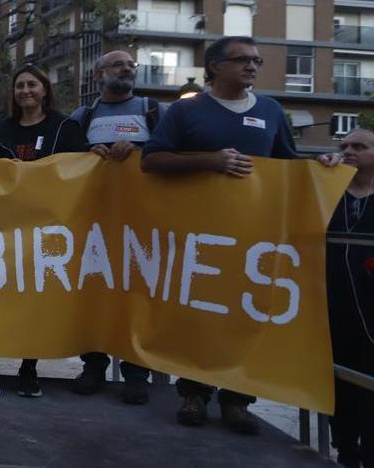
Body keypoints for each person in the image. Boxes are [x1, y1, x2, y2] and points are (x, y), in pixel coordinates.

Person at [140, 35, 327, 434]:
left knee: (245, 315)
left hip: (254, 238)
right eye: (242, 59)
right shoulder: (185, 111)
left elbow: (288, 164)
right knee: (198, 315)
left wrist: (323, 164)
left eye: (257, 60)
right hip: (199, 237)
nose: (252, 66)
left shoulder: (272, 110)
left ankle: (237, 401)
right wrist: (211, 161)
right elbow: (151, 159)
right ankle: (192, 393)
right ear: (214, 67)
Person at [0, 64, 85, 401]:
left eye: (32, 84)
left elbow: (84, 168)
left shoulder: (65, 127)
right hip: (6, 231)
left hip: (49, 230)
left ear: (44, 89)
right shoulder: (1, 131)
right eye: (20, 86)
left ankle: (28, 370)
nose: (25, 91)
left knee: (36, 301)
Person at [68, 50, 166, 405]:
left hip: (141, 223)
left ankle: (136, 372)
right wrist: (87, 153)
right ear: (99, 75)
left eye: (131, 65)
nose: (126, 69)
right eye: (118, 65)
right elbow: (66, 159)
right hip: (95, 224)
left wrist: (143, 148)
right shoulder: (84, 116)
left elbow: (171, 150)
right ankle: (92, 365)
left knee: (135, 295)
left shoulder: (152, 111)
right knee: (94, 294)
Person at [327, 127, 374, 468]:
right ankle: (345, 450)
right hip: (332, 305)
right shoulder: (329, 193)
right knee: (337, 382)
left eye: (359, 146)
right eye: (344, 145)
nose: (348, 150)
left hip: (371, 311)